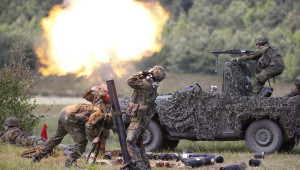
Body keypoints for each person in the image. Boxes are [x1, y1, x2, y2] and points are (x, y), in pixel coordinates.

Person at [31, 83, 114, 167]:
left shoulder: (109, 101)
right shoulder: (98, 106)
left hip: (66, 112)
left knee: (57, 137)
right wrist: (93, 138)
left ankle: (36, 157)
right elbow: (89, 124)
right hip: (71, 117)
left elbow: (104, 97)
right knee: (82, 141)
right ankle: (70, 163)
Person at [126, 65, 165, 170]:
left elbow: (130, 81)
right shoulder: (152, 86)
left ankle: (140, 166)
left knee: (130, 141)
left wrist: (140, 73)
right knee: (139, 142)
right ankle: (147, 166)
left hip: (138, 118)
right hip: (145, 118)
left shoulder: (145, 85)